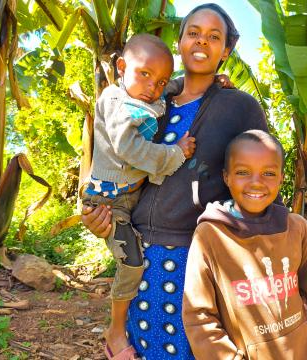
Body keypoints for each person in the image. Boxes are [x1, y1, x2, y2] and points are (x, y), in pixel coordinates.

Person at [83, 4, 275, 359]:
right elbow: (109, 158)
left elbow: (262, 180)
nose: (202, 41)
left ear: (226, 51)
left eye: (214, 36)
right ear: (181, 41)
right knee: (143, 345)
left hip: (198, 258)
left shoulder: (239, 106)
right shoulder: (150, 99)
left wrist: (268, 250)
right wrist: (97, 215)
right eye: (193, 32)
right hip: (141, 252)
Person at [182, 130, 307, 360]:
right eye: (243, 172)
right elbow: (199, 317)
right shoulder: (210, 235)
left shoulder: (296, 229)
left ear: (282, 178)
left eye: (269, 173)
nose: (256, 183)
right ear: (227, 177)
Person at [83, 33, 196, 359]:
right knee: (132, 264)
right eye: (144, 74)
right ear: (121, 67)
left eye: (159, 81)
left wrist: (181, 82)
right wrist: (174, 153)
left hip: (130, 198)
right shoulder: (118, 103)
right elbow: (129, 149)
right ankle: (115, 331)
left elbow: (167, 92)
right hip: (110, 204)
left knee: (135, 260)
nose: (152, 86)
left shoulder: (145, 99)